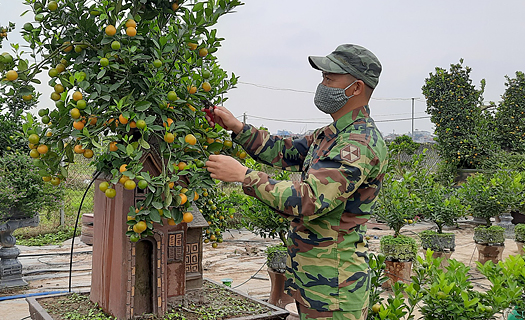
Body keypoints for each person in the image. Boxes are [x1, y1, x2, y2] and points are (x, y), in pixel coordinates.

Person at [205, 44, 388, 320]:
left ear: (356, 87)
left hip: (335, 289)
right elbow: (284, 150)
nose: (322, 85)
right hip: (314, 281)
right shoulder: (332, 134)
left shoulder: (358, 144)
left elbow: (308, 199)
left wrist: (244, 176)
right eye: (323, 77)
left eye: (330, 79)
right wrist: (238, 128)